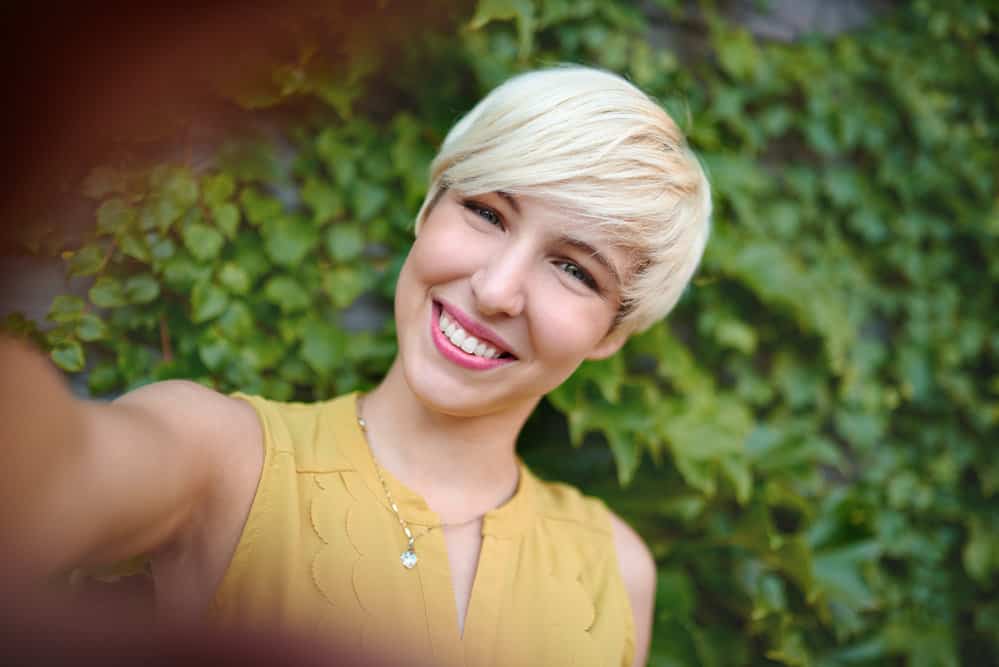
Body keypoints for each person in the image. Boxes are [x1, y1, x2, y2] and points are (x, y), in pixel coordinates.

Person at [0, 65, 710, 666]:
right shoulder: (219, 454)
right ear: (428, 209)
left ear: (612, 334)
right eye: (487, 213)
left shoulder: (615, 573)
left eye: (572, 269)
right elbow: (52, 471)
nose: (496, 290)